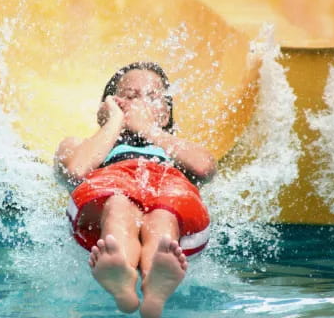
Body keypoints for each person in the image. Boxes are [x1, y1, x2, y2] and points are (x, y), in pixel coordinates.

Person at [54, 62, 216, 318]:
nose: (141, 103)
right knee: (119, 205)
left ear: (165, 114)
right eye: (130, 96)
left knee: (163, 216)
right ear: (108, 107)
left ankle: (155, 286)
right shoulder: (81, 143)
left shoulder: (175, 147)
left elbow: (204, 167)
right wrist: (114, 123)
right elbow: (77, 170)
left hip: (168, 184)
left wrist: (149, 130)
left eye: (153, 97)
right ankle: (122, 277)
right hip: (111, 184)